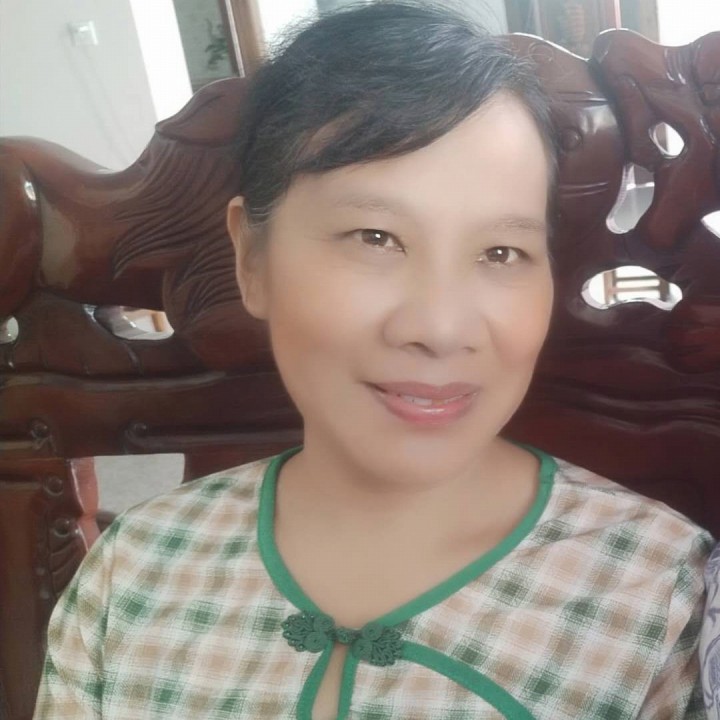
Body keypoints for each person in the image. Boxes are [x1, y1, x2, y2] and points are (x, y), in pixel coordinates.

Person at [33, 2, 712, 718]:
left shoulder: (660, 593)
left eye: (501, 252)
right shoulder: (134, 572)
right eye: (374, 238)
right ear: (252, 259)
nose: (440, 329)